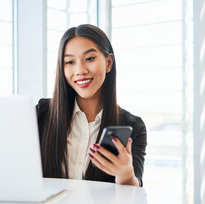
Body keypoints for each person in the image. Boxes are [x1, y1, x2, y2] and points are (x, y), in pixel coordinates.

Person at [36, 24, 147, 187]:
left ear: (108, 63)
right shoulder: (41, 114)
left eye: (89, 58)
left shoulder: (133, 126)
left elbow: (132, 199)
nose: (80, 70)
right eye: (69, 62)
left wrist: (125, 174)